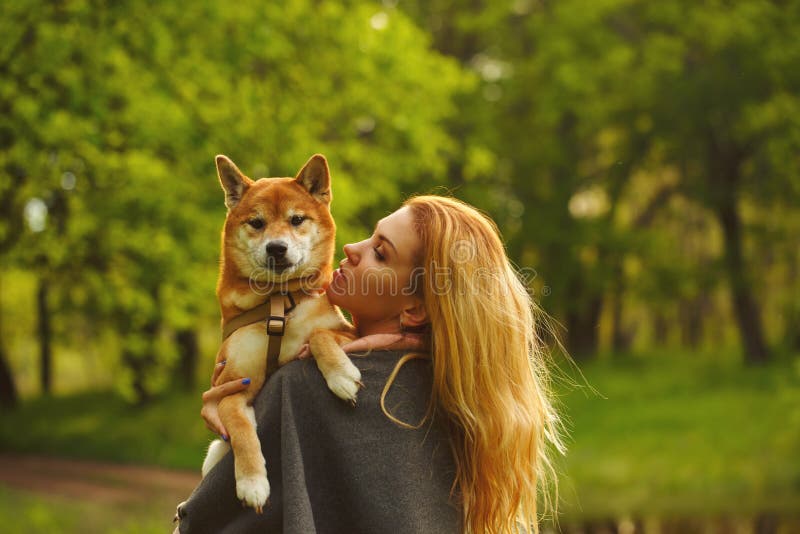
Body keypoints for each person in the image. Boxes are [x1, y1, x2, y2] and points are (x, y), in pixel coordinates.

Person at [175, 195, 564, 534]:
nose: (350, 248)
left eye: (381, 253)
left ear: (415, 310)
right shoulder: (454, 395)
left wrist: (248, 412)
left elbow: (203, 523)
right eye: (370, 236)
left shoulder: (306, 384)